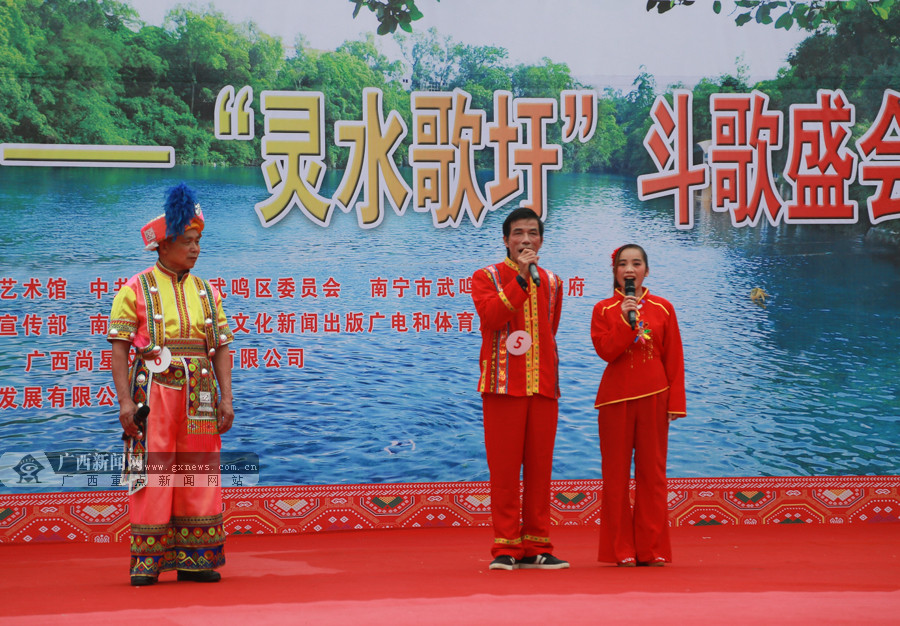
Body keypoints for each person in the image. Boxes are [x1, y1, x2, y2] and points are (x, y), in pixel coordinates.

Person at [108, 183, 235, 586]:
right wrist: (125, 402)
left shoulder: (206, 290)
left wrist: (227, 398)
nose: (195, 249)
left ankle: (195, 559)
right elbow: (119, 349)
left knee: (198, 472)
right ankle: (147, 561)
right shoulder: (135, 288)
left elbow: (220, 347)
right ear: (163, 246)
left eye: (198, 242)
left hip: (199, 391)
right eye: (187, 242)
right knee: (155, 470)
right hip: (153, 390)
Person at [471, 207, 568, 571]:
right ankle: (506, 547)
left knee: (541, 469)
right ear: (505, 240)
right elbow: (493, 317)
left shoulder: (555, 282)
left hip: (542, 384)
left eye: (532, 233)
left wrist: (534, 279)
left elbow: (550, 329)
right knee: (505, 470)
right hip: (501, 385)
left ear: (541, 239)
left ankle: (537, 545)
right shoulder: (486, 277)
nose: (525, 239)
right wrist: (522, 280)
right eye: (517, 234)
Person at [590, 244, 685, 567]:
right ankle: (621, 550)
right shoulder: (604, 310)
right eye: (623, 264)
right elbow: (606, 352)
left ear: (646, 269)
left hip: (655, 395)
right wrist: (625, 322)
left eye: (636, 263)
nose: (629, 270)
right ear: (615, 271)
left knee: (653, 475)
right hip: (615, 400)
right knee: (615, 476)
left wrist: (676, 402)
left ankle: (652, 547)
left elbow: (673, 358)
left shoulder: (664, 308)